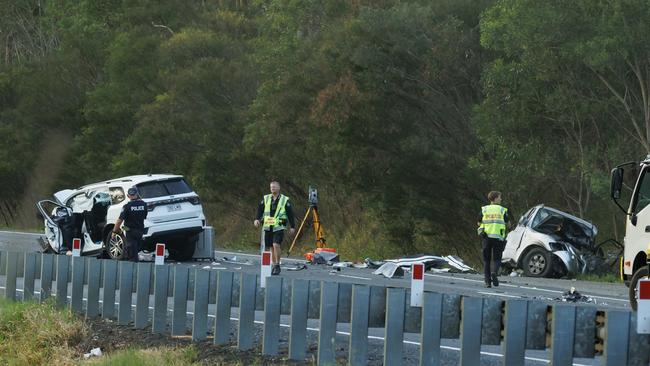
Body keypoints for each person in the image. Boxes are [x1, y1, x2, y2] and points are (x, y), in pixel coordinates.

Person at [254, 181, 296, 275]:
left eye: (274, 187)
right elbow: (260, 210)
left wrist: (293, 226)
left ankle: (277, 265)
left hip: (280, 225)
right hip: (268, 225)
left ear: (279, 188)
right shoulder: (266, 198)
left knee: (276, 244)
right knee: (271, 247)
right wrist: (257, 219)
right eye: (271, 187)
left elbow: (290, 213)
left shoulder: (284, 199)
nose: (272, 188)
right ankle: (274, 265)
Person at [477, 191, 511, 288]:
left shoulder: (484, 209)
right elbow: (508, 224)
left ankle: (488, 282)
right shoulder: (502, 210)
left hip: (486, 237)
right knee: (497, 259)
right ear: (495, 198)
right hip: (498, 238)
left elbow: (479, 222)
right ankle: (494, 273)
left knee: (486, 261)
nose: (501, 199)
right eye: (500, 197)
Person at [112, 187, 148, 262]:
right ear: (137, 194)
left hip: (130, 231)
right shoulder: (144, 205)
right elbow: (144, 217)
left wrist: (114, 231)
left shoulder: (127, 206)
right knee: (136, 250)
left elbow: (119, 220)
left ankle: (133, 268)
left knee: (131, 253)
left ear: (128, 196)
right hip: (140, 231)